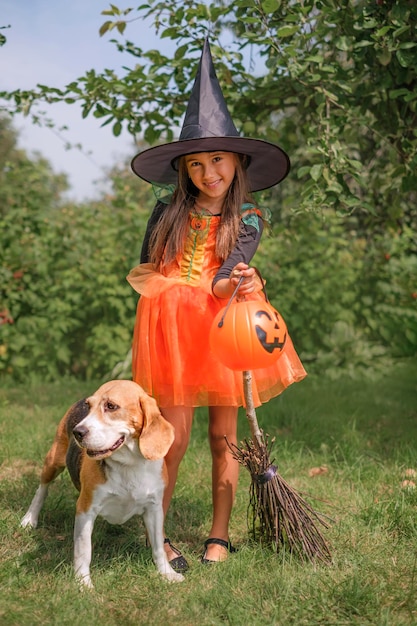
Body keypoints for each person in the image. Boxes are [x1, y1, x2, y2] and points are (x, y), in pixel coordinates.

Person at [127, 39, 307, 571]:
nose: (210, 173)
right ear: (184, 168)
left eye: (219, 160)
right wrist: (170, 295)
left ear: (236, 162)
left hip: (224, 326)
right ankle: (157, 535)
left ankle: (219, 534)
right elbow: (146, 268)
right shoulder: (166, 212)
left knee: (223, 436)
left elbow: (224, 280)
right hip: (173, 329)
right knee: (172, 436)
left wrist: (241, 284)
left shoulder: (246, 219)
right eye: (199, 163)